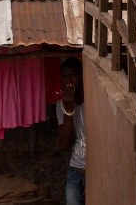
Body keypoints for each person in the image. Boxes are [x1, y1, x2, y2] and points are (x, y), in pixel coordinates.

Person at [56, 57, 86, 205]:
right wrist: (69, 110)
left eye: (72, 76)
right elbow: (64, 145)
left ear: (81, 76)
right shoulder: (62, 105)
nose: (69, 81)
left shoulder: (93, 100)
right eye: (65, 77)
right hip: (75, 170)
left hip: (95, 171)